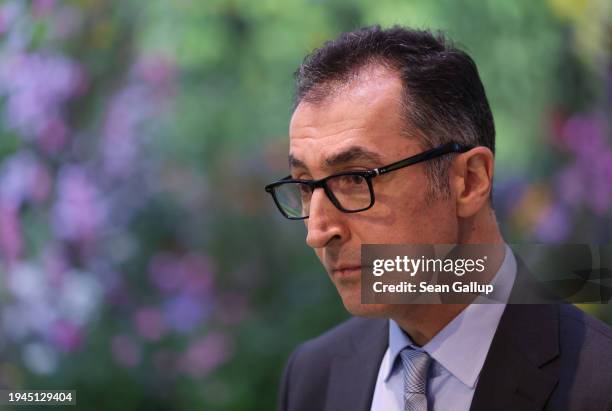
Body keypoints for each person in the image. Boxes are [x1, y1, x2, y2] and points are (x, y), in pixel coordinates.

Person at [264, 25, 612, 411]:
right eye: (306, 186)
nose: (317, 231)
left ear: (469, 180)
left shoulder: (597, 383)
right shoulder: (314, 377)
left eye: (354, 179)